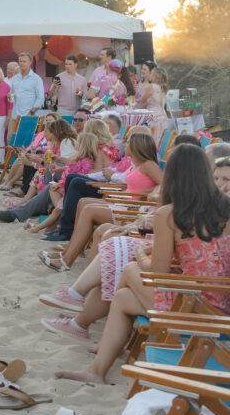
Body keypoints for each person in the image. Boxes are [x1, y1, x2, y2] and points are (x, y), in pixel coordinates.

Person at [55, 144, 230, 384]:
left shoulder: (170, 214)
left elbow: (157, 273)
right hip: (221, 302)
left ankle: (107, 341)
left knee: (129, 269)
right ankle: (96, 370)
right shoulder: (225, 209)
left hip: (193, 307)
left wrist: (140, 253)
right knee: (123, 297)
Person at [8, 52, 45, 134]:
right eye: (20, 61)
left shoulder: (36, 79)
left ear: (30, 62)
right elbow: (12, 99)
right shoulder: (14, 79)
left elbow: (41, 98)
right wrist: (10, 96)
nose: (22, 63)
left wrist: (32, 112)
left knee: (26, 142)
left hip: (28, 116)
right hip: (15, 116)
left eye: (24, 61)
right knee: (10, 140)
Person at [142, 66, 170, 136]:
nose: (150, 75)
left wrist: (131, 101)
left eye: (151, 73)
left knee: (153, 137)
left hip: (153, 116)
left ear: (155, 76)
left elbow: (142, 99)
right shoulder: (163, 87)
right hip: (163, 116)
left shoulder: (151, 86)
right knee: (161, 138)